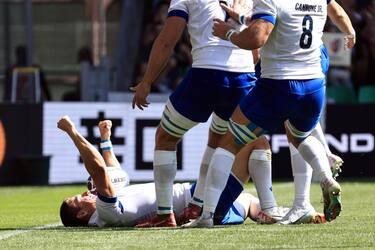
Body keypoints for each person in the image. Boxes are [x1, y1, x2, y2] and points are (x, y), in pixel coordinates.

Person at [183, 0, 355, 228]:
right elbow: (324, 15)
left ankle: (206, 217)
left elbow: (258, 38)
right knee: (300, 136)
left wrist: (229, 33)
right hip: (313, 86)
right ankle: (325, 176)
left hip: (278, 85)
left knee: (228, 143)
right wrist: (350, 32)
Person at [131, 0, 260, 227]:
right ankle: (198, 206)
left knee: (165, 137)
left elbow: (166, 41)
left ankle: (164, 214)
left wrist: (147, 81)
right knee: (223, 140)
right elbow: (256, 47)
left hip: (207, 75)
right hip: (243, 76)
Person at [57, 115, 266, 227]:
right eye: (80, 198)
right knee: (254, 141)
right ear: (83, 213)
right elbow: (99, 171)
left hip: (197, 199)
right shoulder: (106, 213)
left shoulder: (111, 206)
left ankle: (268, 211)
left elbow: (113, 173)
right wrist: (72, 132)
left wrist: (106, 141)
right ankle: (271, 207)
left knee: (248, 201)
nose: (85, 193)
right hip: (198, 202)